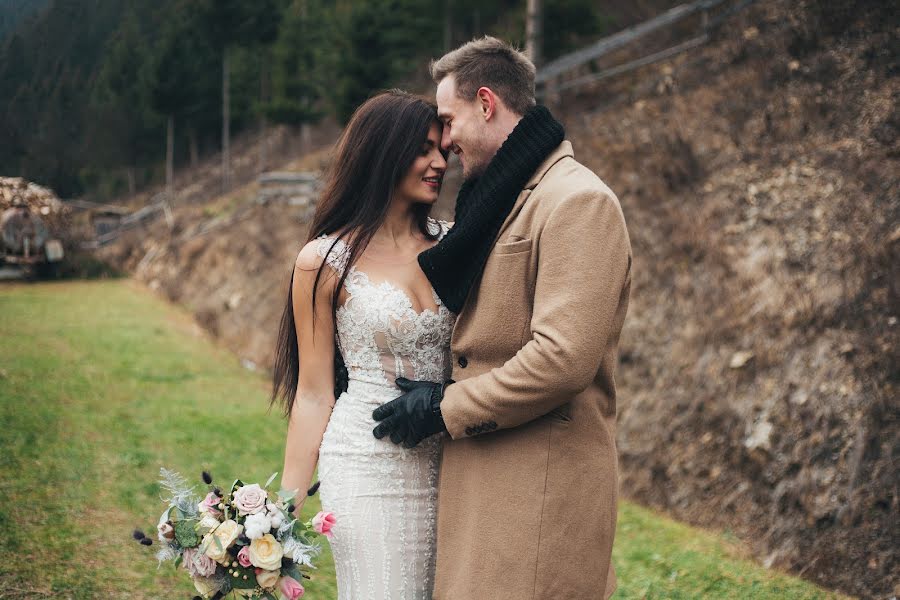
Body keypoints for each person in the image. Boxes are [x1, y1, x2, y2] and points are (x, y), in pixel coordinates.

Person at [372, 37, 632, 599]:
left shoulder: (577, 201)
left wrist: (444, 407)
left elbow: (563, 359)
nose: (443, 141)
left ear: (486, 103)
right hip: (488, 482)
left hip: (536, 493)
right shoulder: (502, 197)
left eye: (447, 120)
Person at [271, 90, 452, 600]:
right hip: (367, 464)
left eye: (442, 149)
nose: (439, 162)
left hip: (457, 467)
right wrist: (283, 510)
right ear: (382, 153)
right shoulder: (323, 261)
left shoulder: (457, 244)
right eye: (423, 149)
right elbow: (313, 393)